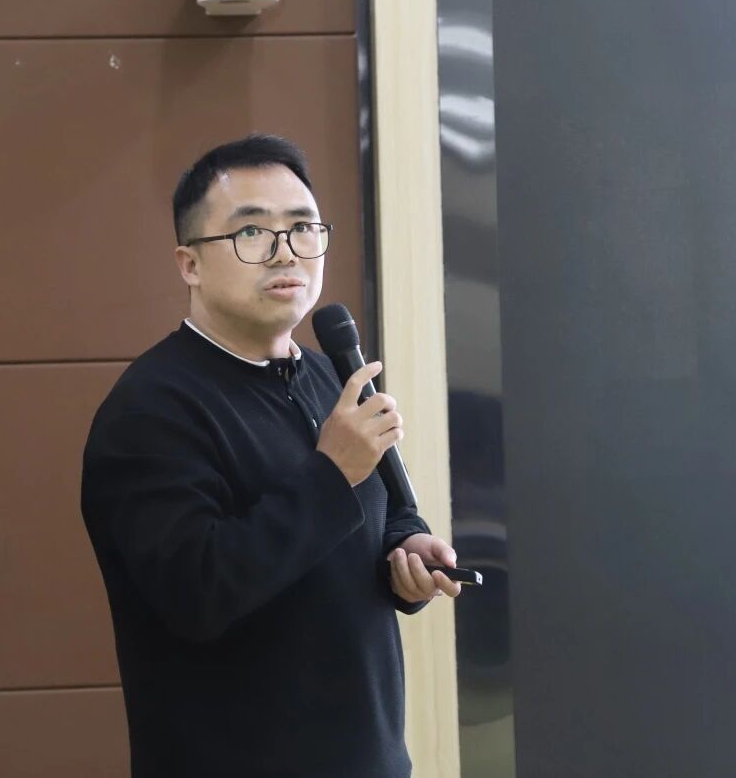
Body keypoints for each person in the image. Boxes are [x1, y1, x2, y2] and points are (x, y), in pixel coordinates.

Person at [81, 134, 462, 778]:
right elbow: (197, 594)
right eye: (252, 232)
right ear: (189, 264)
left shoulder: (329, 375)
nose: (286, 251)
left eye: (303, 227)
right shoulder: (150, 411)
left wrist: (406, 552)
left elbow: (383, 514)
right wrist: (331, 473)